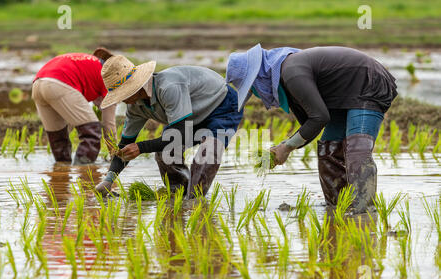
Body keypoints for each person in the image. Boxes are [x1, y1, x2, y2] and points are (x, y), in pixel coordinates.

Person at [226, 44, 398, 214]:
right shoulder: (287, 76)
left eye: (252, 88)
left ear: (259, 77)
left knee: (357, 149)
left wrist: (286, 147)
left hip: (368, 82)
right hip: (344, 96)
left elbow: (319, 118)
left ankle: (364, 212)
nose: (257, 93)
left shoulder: (291, 72)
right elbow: (311, 125)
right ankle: (337, 208)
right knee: (328, 149)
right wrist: (283, 148)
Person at [95, 55, 243, 199]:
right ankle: (178, 196)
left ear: (135, 86)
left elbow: (181, 134)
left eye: (123, 94)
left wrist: (141, 147)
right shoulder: (135, 106)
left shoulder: (168, 87)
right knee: (165, 153)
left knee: (208, 153)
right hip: (190, 115)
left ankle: (194, 202)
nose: (121, 100)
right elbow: (124, 145)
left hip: (222, 105)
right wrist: (108, 180)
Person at [31, 48, 116, 164]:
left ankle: (60, 173)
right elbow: (109, 125)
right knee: (92, 131)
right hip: (59, 83)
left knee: (59, 137)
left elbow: (70, 123)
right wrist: (115, 157)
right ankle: (85, 172)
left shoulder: (88, 67)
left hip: (38, 83)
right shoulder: (109, 78)